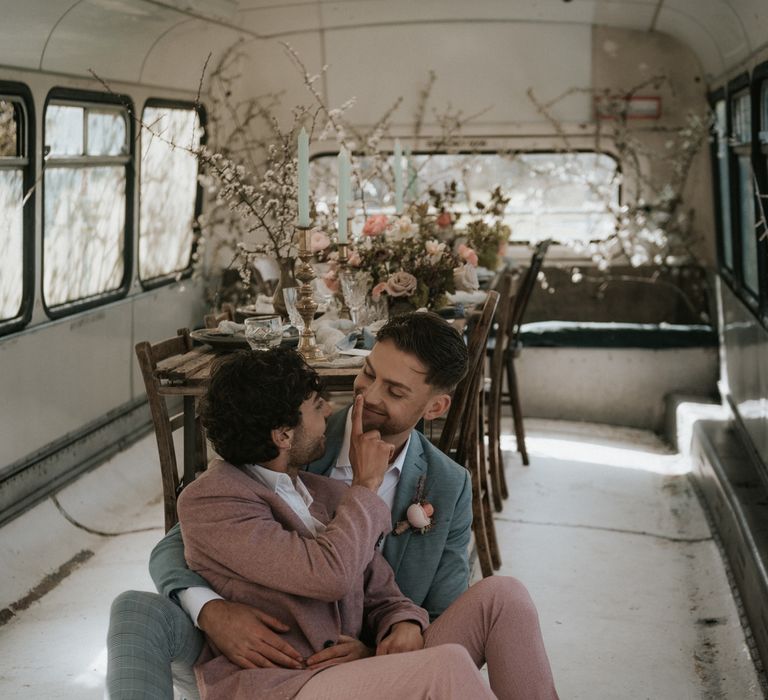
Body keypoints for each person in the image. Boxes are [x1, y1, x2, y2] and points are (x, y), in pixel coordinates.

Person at [106, 312, 557, 698]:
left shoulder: (446, 484)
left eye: (395, 392)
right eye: (369, 374)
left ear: (435, 407)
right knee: (450, 667)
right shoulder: (295, 448)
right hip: (295, 669)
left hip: (380, 653)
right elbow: (179, 545)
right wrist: (210, 608)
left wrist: (398, 630)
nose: (369, 396)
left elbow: (428, 603)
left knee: (505, 596)